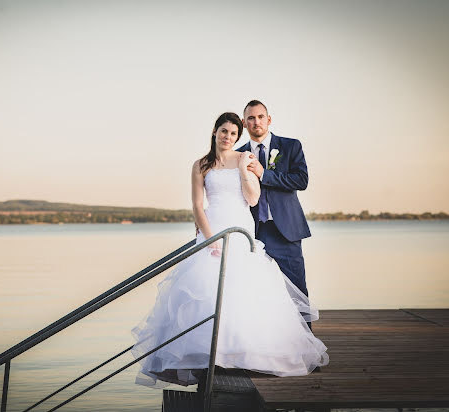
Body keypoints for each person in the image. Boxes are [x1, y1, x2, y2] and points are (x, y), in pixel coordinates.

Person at [130, 112, 328, 388]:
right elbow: (198, 206)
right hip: (213, 231)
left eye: (234, 134)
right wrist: (210, 239)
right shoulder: (200, 165)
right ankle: (210, 357)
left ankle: (245, 355)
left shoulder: (244, 158)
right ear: (215, 131)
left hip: (239, 230)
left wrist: (246, 173)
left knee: (245, 291)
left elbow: (252, 198)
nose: (228, 137)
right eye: (224, 131)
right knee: (205, 292)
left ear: (239, 136)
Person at [236, 100, 312, 328]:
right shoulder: (237, 155)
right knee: (252, 291)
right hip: (252, 234)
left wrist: (264, 174)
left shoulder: (291, 146)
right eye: (250, 118)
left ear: (269, 119)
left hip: (286, 232)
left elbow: (301, 180)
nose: (256, 122)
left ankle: (307, 352)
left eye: (260, 117)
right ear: (244, 123)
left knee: (297, 291)